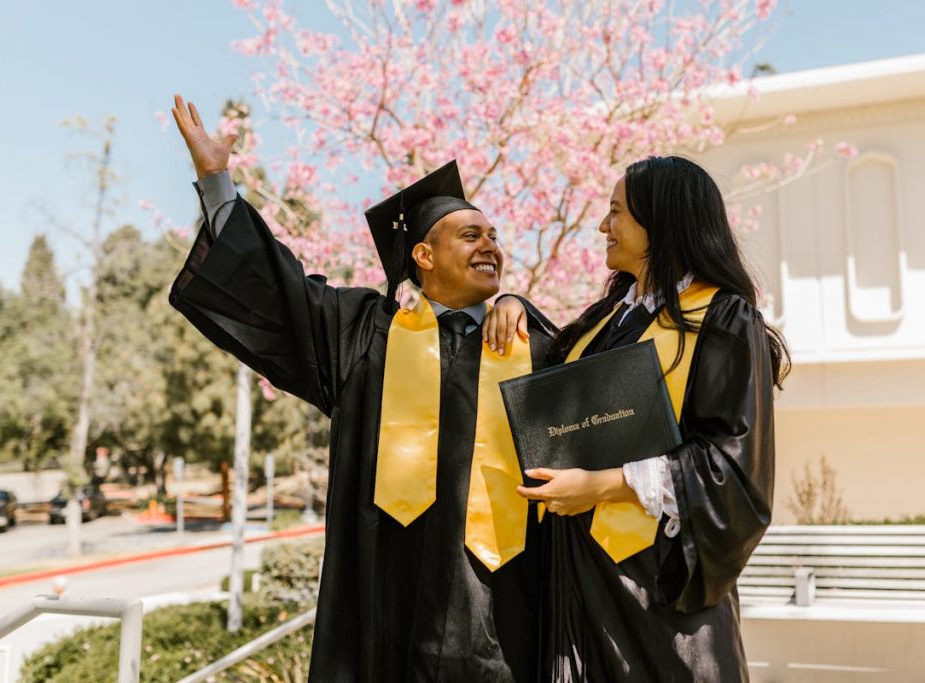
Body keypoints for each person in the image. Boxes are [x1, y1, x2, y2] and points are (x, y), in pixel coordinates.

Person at [168, 95, 556, 682]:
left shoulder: (531, 342)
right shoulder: (366, 334)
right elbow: (281, 290)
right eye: (470, 235)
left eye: (494, 236)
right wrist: (217, 181)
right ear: (423, 256)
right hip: (386, 614)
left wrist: (518, 305)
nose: (490, 246)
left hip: (504, 619)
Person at [485, 155, 787, 682]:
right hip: (578, 582)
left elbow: (732, 469)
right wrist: (512, 303)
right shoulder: (608, 319)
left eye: (616, 212)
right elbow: (559, 395)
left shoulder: (722, 319)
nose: (603, 226)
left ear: (661, 222)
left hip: (658, 595)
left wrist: (601, 486)